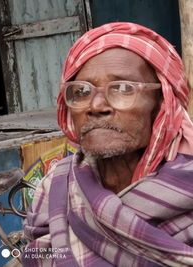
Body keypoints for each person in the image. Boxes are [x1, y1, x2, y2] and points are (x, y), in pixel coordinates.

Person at [22, 22, 193, 267]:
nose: (96, 106)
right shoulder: (56, 188)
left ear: (162, 104)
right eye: (81, 91)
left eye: (123, 89)